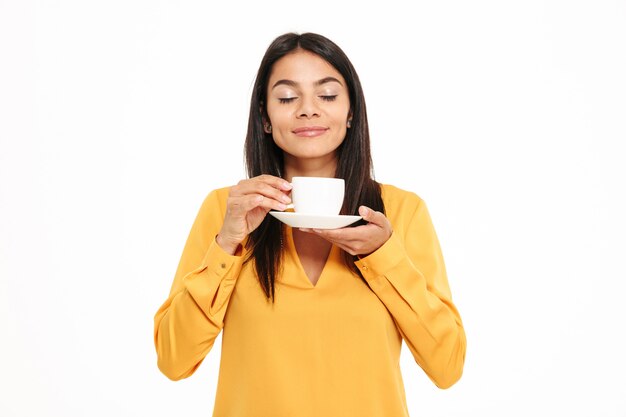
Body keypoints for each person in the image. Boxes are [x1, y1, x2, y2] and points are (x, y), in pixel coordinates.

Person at [154, 32, 466, 417]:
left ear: (351, 112)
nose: (308, 110)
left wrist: (384, 256)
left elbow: (447, 366)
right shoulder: (227, 209)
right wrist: (228, 243)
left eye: (328, 95)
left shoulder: (400, 212)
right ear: (265, 118)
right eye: (287, 98)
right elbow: (173, 359)